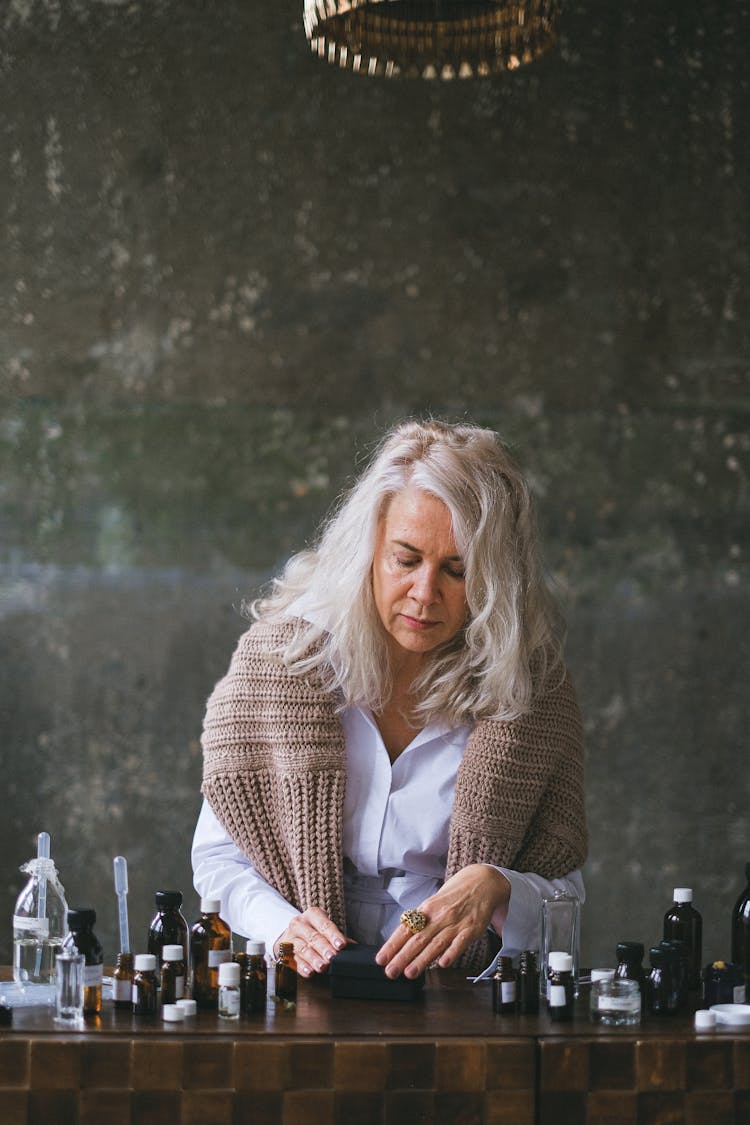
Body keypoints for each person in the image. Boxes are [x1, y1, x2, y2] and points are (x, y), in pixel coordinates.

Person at [192, 419, 587, 980]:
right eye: (406, 559)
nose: (425, 595)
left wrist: (499, 887)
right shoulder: (282, 666)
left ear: (497, 580)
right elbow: (219, 858)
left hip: (461, 999)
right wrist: (282, 926)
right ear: (368, 550)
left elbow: (565, 896)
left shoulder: (533, 695)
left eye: (457, 570)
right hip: (298, 988)